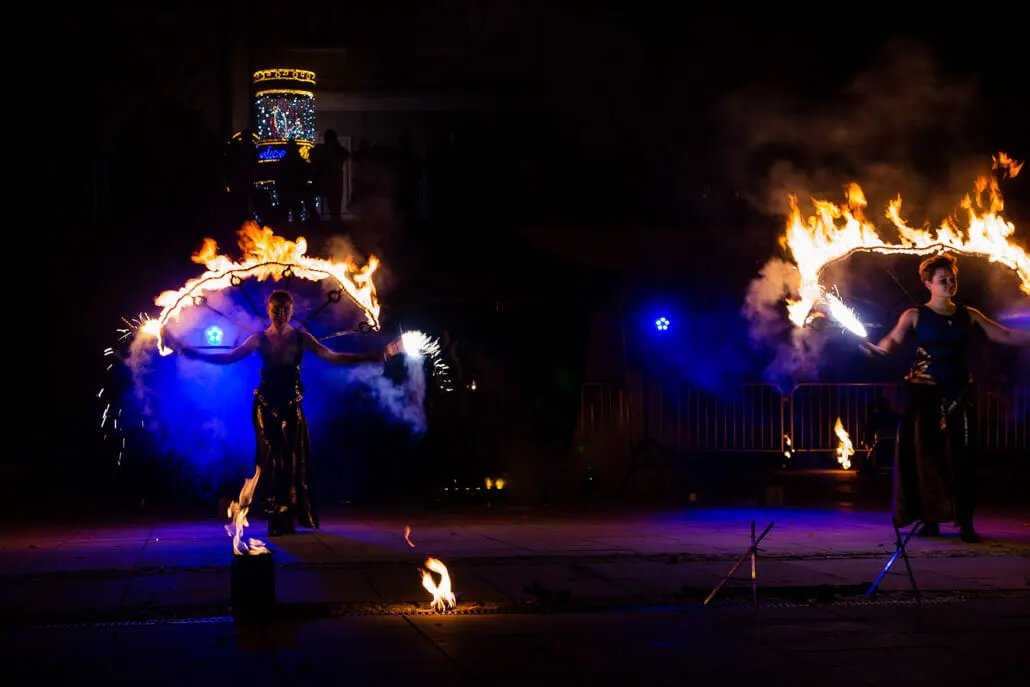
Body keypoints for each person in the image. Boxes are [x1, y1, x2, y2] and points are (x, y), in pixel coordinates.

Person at [165, 290, 403, 536]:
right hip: (265, 404)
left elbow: (332, 357)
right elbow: (228, 358)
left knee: (290, 460)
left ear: (292, 310)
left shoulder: (302, 338)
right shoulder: (258, 339)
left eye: (285, 310)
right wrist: (187, 351)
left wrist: (374, 356)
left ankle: (285, 518)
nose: (280, 314)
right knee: (272, 458)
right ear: (268, 310)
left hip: (291, 404)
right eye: (275, 310)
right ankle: (274, 516)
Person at [861, 253, 1030, 542]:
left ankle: (966, 522)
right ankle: (930, 519)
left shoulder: (969, 314)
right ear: (928, 283)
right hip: (924, 392)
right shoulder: (914, 315)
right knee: (927, 457)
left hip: (959, 391)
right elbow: (891, 340)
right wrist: (880, 350)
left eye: (953, 280)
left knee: (963, 456)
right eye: (943, 280)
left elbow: (1003, 335)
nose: (950, 284)